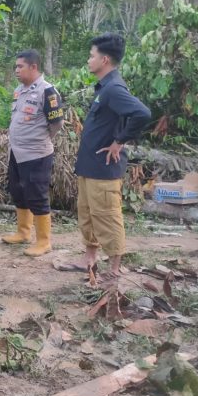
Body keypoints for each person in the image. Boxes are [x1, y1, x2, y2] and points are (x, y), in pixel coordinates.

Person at [74, 33, 151, 282]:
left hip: (104, 168)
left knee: (107, 216)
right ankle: (90, 257)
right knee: (87, 214)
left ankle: (115, 268)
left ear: (104, 59)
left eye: (92, 56)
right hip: (89, 166)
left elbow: (142, 113)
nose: (89, 60)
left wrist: (119, 142)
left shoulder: (114, 88)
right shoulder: (105, 87)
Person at [2, 49, 65, 256]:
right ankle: (23, 232)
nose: (16, 70)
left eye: (20, 66)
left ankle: (44, 241)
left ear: (34, 67)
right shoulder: (20, 90)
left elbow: (56, 124)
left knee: (37, 195)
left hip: (36, 153)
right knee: (18, 191)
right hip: (16, 151)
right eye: (16, 66)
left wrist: (38, 141)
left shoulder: (47, 92)